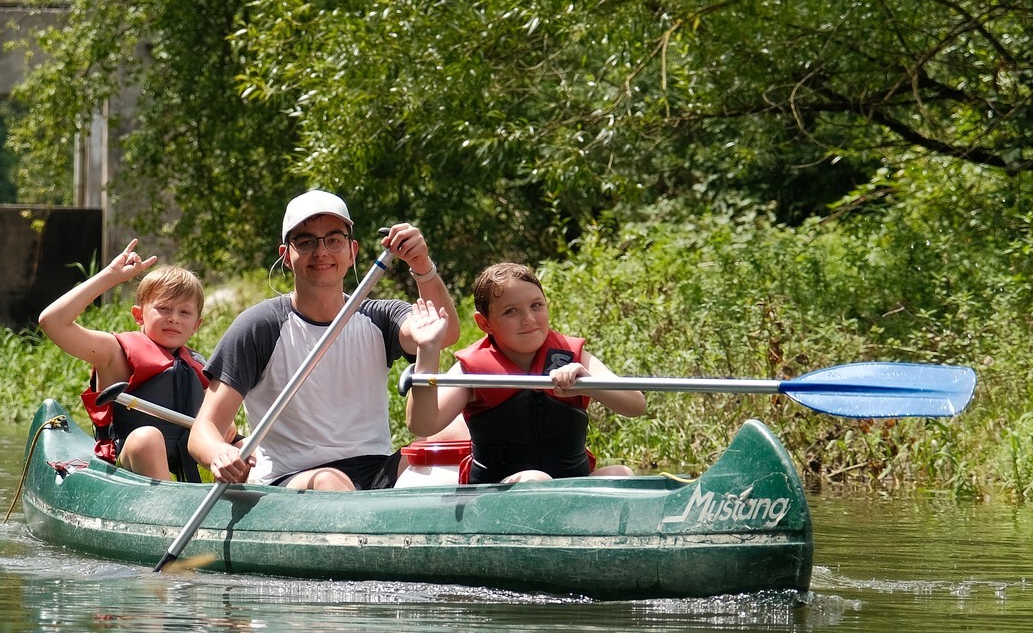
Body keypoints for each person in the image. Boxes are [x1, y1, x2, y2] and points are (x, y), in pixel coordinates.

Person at [188, 189, 460, 490]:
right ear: (286, 257)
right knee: (330, 481)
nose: (321, 252)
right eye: (305, 242)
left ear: (351, 251)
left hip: (377, 470)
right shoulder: (260, 326)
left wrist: (422, 266)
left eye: (334, 240)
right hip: (293, 479)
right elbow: (205, 429)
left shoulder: (379, 316)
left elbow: (445, 333)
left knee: (448, 444)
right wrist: (219, 452)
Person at [405, 262, 646, 484]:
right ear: (484, 323)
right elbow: (423, 425)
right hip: (499, 490)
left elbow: (635, 405)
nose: (528, 319)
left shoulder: (574, 356)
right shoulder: (472, 369)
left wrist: (587, 384)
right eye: (511, 311)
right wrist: (428, 349)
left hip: (570, 486)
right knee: (536, 479)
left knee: (621, 474)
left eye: (536, 306)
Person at [39, 239, 230, 482]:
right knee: (147, 438)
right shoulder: (114, 352)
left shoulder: (196, 365)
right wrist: (110, 276)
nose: (174, 318)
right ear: (139, 315)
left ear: (196, 325)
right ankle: (168, 512)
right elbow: (52, 322)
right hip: (126, 465)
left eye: (184, 312)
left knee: (241, 444)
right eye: (163, 308)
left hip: (184, 464)